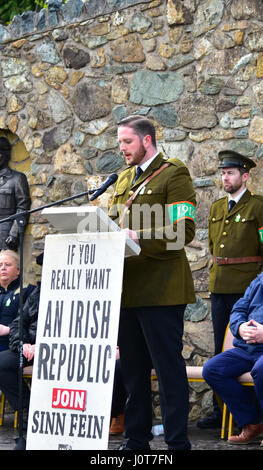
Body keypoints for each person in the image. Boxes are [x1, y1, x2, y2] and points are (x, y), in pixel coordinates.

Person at [108, 115, 196, 450]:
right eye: (120, 143)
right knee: (133, 372)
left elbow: (183, 231)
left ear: (147, 140)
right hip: (128, 289)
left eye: (127, 142)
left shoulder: (174, 174)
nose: (122, 149)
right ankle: (137, 439)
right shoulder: (124, 179)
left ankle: (176, 443)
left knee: (168, 370)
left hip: (161, 289)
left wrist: (137, 236)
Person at [197, 150, 263, 429]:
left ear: (245, 176)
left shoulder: (258, 207)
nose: (225, 177)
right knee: (219, 351)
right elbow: (214, 247)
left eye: (231, 173)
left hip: (246, 285)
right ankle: (221, 410)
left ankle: (249, 415)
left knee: (251, 348)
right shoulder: (216, 208)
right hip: (220, 285)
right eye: (223, 173)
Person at [202, 272, 263, 445]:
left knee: (261, 370)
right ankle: (251, 423)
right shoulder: (258, 280)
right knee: (213, 369)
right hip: (247, 348)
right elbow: (239, 309)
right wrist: (241, 327)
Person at [0, 137, 31, 251]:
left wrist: (14, 233)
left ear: (5, 155)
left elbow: (22, 207)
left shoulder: (17, 178)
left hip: (4, 235)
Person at [0, 250, 35, 352]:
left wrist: (8, 329)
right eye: (0, 264)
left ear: (18, 270)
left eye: (8, 265)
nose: (3, 268)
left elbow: (32, 323)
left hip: (14, 347)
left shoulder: (28, 290)